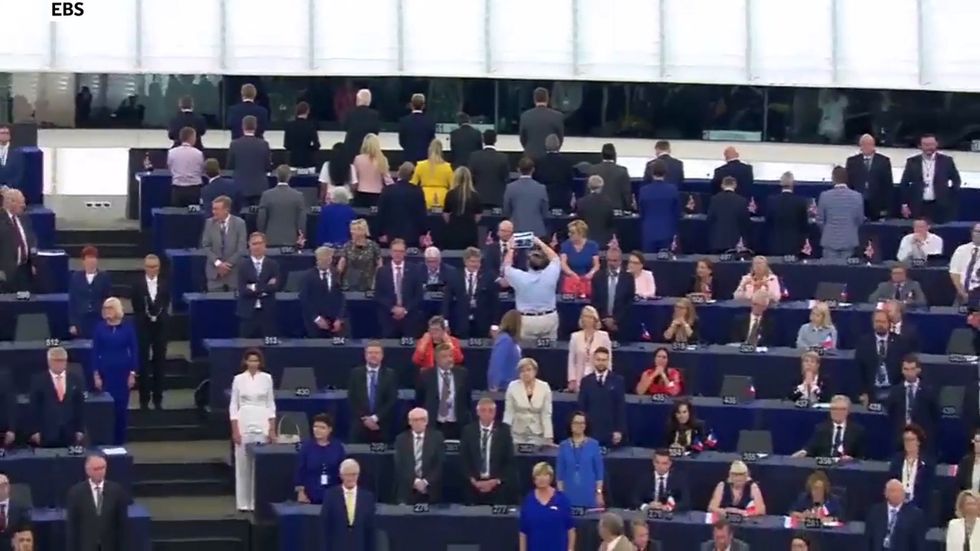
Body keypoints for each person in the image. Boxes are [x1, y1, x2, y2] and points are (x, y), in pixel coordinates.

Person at [229, 349, 276, 511]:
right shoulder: (238, 379)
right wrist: (235, 430)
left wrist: (272, 429)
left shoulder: (267, 378)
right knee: (242, 463)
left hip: (262, 420)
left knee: (258, 463)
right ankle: (243, 503)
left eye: (256, 361)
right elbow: (233, 406)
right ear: (246, 362)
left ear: (260, 362)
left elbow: (271, 404)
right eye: (251, 360)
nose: (253, 364)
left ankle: (256, 502)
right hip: (244, 421)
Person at [92, 298, 137, 445]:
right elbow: (94, 352)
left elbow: (135, 351)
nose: (106, 311)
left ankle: (120, 442)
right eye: (105, 308)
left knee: (121, 410)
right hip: (106, 374)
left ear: (117, 310)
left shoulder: (128, 328)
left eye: (110, 308)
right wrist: (96, 374)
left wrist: (132, 373)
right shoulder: (99, 328)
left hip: (122, 374)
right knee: (107, 409)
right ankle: (106, 441)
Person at [65, 454, 129, 551]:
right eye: (96, 469)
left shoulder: (117, 491)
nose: (100, 472)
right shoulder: (76, 493)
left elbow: (122, 525)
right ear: (88, 471)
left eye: (103, 468)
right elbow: (72, 527)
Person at [460, 397, 516, 505]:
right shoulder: (468, 431)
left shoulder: (504, 431)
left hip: (497, 485)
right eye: (483, 410)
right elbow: (464, 459)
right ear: (477, 412)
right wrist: (474, 481)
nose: (487, 414)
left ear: (495, 413)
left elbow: (509, 461)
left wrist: (495, 481)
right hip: (474, 485)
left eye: (490, 411)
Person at [504, 235, 562, 339]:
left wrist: (511, 249)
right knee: (550, 353)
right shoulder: (551, 273)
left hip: (526, 321)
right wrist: (539, 242)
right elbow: (555, 258)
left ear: (528, 263)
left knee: (526, 352)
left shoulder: (519, 277)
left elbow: (507, 267)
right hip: (548, 319)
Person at [131, 254, 169, 410]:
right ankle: (144, 400)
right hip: (143, 327)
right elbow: (135, 305)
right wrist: (147, 315)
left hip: (161, 327)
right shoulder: (137, 284)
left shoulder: (165, 284)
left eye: (156, 267)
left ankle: (158, 399)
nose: (153, 270)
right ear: (145, 267)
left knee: (160, 363)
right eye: (150, 267)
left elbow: (166, 302)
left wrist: (157, 314)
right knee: (143, 363)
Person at [29, 346, 85, 447]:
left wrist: (80, 430)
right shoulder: (38, 380)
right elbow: (34, 408)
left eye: (63, 360)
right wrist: (34, 431)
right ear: (49, 361)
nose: (60, 363)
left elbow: (80, 406)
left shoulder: (75, 380)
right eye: (57, 360)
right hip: (46, 433)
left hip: (70, 433)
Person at [900, 133, 962, 224]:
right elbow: (904, 183)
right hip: (918, 205)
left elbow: (956, 180)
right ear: (920, 146)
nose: (929, 147)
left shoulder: (946, 161)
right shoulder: (912, 161)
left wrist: (949, 196)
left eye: (931, 144)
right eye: (925, 145)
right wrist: (904, 205)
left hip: (940, 206)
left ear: (936, 144)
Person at [320, 458, 376, 551]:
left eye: (354, 474)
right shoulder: (330, 495)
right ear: (341, 476)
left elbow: (370, 530)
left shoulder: (367, 497)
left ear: (358, 475)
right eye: (347, 474)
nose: (350, 478)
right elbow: (325, 527)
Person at [347, 341, 398, 444]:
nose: (373, 355)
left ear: (382, 356)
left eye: (376, 353)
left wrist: (375, 418)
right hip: (360, 424)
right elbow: (352, 398)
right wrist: (365, 419)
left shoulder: (390, 374)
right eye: (370, 353)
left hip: (382, 424)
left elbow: (392, 400)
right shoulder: (355, 373)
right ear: (365, 355)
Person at [418, 344, 471, 439]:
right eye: (444, 356)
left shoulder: (462, 374)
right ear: (436, 359)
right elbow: (420, 399)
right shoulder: (426, 375)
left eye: (450, 356)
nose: (449, 359)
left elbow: (467, 398)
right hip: (434, 423)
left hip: (457, 424)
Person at [857, 310, 910, 405]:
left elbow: (904, 370)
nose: (880, 324)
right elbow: (858, 370)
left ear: (889, 323)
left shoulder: (900, 342)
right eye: (877, 321)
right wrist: (863, 393)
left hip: (893, 390)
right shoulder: (863, 342)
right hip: (871, 390)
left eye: (883, 322)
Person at [374, 238, 424, 337]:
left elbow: (418, 295)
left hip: (410, 317)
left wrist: (405, 310)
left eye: (401, 251)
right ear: (390, 252)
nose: (398, 254)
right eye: (395, 251)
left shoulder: (415, 270)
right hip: (388, 317)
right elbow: (378, 295)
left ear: (405, 253)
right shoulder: (382, 271)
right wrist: (392, 308)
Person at [519, 462, 574, 551]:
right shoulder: (528, 501)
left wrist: (570, 549)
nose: (541, 478)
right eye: (538, 475)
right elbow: (523, 532)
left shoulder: (562, 499)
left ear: (551, 477)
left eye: (545, 475)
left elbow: (570, 529)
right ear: (534, 479)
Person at [394, 408, 445, 503]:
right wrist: (416, 482)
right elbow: (400, 465)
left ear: (427, 421)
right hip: (408, 490)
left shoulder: (437, 437)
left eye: (422, 419)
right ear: (409, 422)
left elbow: (440, 464)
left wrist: (425, 482)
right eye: (415, 420)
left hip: (431, 489)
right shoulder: (401, 439)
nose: (418, 423)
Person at [885, 355, 939, 445]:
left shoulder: (928, 391)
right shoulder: (895, 391)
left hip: (923, 437)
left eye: (912, 369)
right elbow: (891, 413)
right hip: (901, 437)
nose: (909, 372)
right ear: (902, 371)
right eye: (906, 369)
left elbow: (935, 414)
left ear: (918, 370)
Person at [577, 347, 625, 447]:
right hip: (590, 431)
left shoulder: (618, 380)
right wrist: (582, 430)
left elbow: (620, 407)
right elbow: (582, 408)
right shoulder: (586, 381)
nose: (601, 362)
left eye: (604, 360)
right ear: (593, 361)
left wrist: (619, 430)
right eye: (598, 359)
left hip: (610, 432)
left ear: (608, 361)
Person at [294, 413, 345, 505]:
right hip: (310, 494)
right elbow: (300, 471)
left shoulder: (338, 447)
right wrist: (301, 493)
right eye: (315, 427)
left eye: (322, 427)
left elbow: (342, 471)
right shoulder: (306, 447)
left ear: (330, 429)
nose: (317, 430)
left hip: (333, 493)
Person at [236, 232, 280, 338]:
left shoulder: (273, 265)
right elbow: (242, 289)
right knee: (246, 345)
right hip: (247, 312)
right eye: (254, 244)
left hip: (267, 312)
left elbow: (275, 287)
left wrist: (253, 287)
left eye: (260, 243)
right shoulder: (242, 265)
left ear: (265, 245)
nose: (257, 246)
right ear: (249, 246)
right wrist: (265, 288)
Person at [795, 394, 866, 458]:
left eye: (842, 409)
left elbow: (861, 457)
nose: (837, 412)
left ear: (848, 411)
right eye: (834, 409)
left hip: (847, 468)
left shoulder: (857, 431)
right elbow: (810, 448)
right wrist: (803, 452)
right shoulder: (821, 429)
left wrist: (852, 460)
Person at [201, 195, 248, 291]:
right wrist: (218, 264)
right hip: (215, 273)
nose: (213, 212)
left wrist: (227, 265)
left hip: (233, 273)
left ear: (226, 210)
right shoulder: (209, 223)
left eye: (216, 209)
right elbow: (206, 246)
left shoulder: (240, 224)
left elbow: (241, 248)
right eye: (213, 209)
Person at [448, 247, 497, 339]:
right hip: (460, 323)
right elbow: (447, 300)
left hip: (482, 323)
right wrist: (445, 321)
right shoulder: (454, 275)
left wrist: (494, 324)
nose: (475, 264)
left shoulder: (488, 276)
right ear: (465, 261)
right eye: (472, 261)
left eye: (478, 262)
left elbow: (494, 302)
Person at [817, 166, 865, 260]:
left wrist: (827, 231)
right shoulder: (857, 196)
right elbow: (860, 220)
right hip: (849, 241)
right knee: (846, 273)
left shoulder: (824, 196)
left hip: (829, 241)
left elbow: (820, 220)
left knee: (829, 272)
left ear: (833, 179)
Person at [298, 246, 347, 338]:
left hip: (334, 321)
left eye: (329, 258)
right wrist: (316, 318)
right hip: (314, 322)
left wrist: (339, 318)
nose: (328, 261)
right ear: (317, 259)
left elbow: (341, 297)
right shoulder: (308, 276)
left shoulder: (336, 274)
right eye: (324, 258)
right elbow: (304, 299)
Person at [865, 479, 926, 551]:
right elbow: (868, 539)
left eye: (900, 491)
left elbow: (918, 544)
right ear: (886, 493)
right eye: (893, 491)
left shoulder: (915, 514)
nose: (896, 494)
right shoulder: (875, 511)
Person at [504, 358, 554, 446]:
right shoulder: (512, 386)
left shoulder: (544, 387)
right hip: (517, 433)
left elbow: (546, 414)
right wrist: (504, 434)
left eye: (529, 370)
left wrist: (548, 436)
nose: (526, 373)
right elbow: (509, 412)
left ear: (535, 371)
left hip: (537, 433)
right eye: (522, 371)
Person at [377, 162, 427, 247]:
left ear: (399, 172)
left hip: (390, 235)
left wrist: (380, 233)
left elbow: (381, 213)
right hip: (412, 236)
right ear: (412, 175)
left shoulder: (387, 190)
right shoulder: (417, 191)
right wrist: (423, 233)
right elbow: (421, 214)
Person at [257, 164, 307, 247]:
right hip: (291, 239)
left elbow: (261, 219)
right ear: (289, 176)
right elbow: (302, 220)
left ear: (276, 175)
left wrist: (262, 235)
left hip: (270, 239)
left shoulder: (266, 195)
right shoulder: (298, 196)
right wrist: (301, 237)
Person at [68, 246, 112, 338]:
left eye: (93, 258)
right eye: (88, 259)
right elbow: (72, 301)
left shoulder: (104, 277)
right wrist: (73, 324)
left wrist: (108, 319)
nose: (91, 261)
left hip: (99, 319)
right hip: (81, 321)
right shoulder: (76, 277)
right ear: (83, 261)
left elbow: (107, 299)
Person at [228, 115, 272, 207]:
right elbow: (268, 166)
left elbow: (230, 165)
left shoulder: (235, 144)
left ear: (243, 126)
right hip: (259, 187)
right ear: (255, 127)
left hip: (240, 187)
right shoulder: (264, 144)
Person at [887, 424, 934, 511]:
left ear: (918, 442)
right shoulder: (896, 461)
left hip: (919, 507)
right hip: (898, 505)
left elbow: (928, 490)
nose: (908, 443)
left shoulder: (927, 463)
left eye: (911, 440)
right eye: (906, 440)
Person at [638, 159, 681, 253]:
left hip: (649, 232)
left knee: (649, 262)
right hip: (667, 232)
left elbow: (641, 212)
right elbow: (678, 213)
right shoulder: (673, 190)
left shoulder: (644, 190)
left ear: (651, 173)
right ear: (666, 173)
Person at [593, 248, 635, 339]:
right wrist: (605, 320)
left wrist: (615, 320)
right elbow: (595, 301)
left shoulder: (628, 278)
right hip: (601, 325)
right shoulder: (598, 277)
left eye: (614, 260)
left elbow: (629, 302)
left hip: (621, 326)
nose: (611, 263)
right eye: (609, 260)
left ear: (620, 261)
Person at [567, 306, 612, 391]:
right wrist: (571, 379)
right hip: (579, 377)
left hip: (597, 375)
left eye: (590, 317)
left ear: (595, 319)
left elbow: (608, 360)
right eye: (585, 316)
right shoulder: (575, 337)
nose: (587, 319)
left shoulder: (604, 336)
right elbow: (571, 360)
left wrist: (608, 379)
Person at [765, 172, 810, 256]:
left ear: (781, 183)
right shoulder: (800, 202)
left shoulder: (771, 200)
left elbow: (768, 222)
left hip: (775, 243)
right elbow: (804, 225)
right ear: (793, 184)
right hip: (794, 245)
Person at [503, 157, 550, 237]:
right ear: (533, 170)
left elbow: (506, 210)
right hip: (537, 231)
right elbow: (545, 212)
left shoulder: (510, 187)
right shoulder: (541, 188)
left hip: (516, 229)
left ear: (518, 169)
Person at [0, 188, 35, 293]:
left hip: (24, 272)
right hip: (5, 273)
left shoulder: (24, 218)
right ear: (11, 202)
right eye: (21, 203)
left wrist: (33, 262)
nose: (24, 206)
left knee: (23, 303)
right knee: (8, 305)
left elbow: (31, 240)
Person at [441, 167, 483, 250]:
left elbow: (446, 214)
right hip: (470, 232)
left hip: (453, 231)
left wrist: (453, 222)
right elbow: (478, 216)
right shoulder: (475, 195)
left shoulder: (450, 194)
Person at [470, 129, 511, 209]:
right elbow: (506, 178)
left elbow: (471, 177)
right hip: (497, 199)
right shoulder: (503, 158)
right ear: (495, 140)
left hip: (478, 199)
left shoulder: (474, 156)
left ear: (483, 139)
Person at [707, 176, 750, 253]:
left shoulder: (714, 199)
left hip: (718, 239)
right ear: (735, 185)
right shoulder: (742, 200)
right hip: (735, 240)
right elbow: (745, 221)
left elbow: (710, 218)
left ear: (722, 185)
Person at [519, 87, 564, 159]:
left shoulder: (525, 116)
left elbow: (523, 139)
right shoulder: (557, 116)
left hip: (530, 157)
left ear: (534, 99)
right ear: (547, 99)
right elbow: (560, 138)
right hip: (549, 158)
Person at [338, 219, 382, 291]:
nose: (352, 231)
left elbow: (379, 265)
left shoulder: (373, 246)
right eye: (352, 229)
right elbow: (341, 265)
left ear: (363, 231)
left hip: (368, 285)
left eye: (355, 229)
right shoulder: (347, 246)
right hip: (349, 285)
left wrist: (376, 281)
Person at [559, 220, 600, 297]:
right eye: (569, 232)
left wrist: (591, 274)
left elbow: (596, 265)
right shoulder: (565, 245)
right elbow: (563, 264)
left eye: (572, 233)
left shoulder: (592, 245)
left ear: (580, 234)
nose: (569, 234)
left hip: (587, 280)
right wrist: (572, 274)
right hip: (570, 279)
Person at [166, 127, 205, 207]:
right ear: (191, 138)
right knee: (193, 215)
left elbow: (170, 167)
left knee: (177, 215)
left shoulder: (171, 152)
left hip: (177, 190)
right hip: (194, 190)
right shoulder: (198, 153)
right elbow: (201, 169)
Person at [351, 134, 393, 208]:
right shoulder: (382, 159)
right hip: (377, 194)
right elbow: (388, 180)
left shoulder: (358, 159)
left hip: (361, 193)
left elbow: (355, 178)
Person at [535, 134, 575, 211]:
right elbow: (570, 181)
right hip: (563, 198)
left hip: (545, 198)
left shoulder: (539, 162)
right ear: (559, 145)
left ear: (545, 145)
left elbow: (537, 181)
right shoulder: (566, 162)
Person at [342, 89, 381, 166]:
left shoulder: (350, 113)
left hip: (350, 150)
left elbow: (344, 127)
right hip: (368, 151)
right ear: (369, 101)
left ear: (357, 100)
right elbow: (376, 132)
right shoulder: (375, 115)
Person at [411, 139, 454, 209]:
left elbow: (413, 184)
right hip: (443, 197)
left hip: (424, 196)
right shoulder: (447, 167)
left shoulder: (420, 165)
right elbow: (453, 186)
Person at [574, 175, 615, 245]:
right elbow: (610, 222)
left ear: (588, 186)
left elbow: (579, 221)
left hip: (586, 241)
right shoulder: (608, 202)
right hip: (604, 241)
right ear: (602, 186)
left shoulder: (581, 202)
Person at [488, 310, 522, 391]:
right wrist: (494, 386)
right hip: (503, 387)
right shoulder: (505, 340)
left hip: (512, 386)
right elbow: (496, 363)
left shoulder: (511, 340)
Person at [398, 94, 436, 164]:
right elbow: (432, 141)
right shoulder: (430, 121)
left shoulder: (404, 121)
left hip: (408, 158)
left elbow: (402, 141)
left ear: (411, 105)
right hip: (425, 159)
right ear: (423, 106)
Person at [283, 101, 320, 169]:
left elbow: (286, 145)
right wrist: (309, 148)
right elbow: (317, 145)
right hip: (308, 161)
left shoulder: (289, 126)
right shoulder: (311, 126)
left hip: (293, 161)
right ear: (307, 111)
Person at [949, 224, 980, 305]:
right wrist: (962, 293)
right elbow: (954, 273)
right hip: (961, 294)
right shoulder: (961, 250)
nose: (979, 234)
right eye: (977, 231)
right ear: (972, 233)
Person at [0, 125, 24, 190]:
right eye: (2, 133)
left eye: (7, 133)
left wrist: (8, 186)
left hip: (11, 189)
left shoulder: (17, 152)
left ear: (10, 136)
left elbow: (19, 173)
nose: (4, 135)